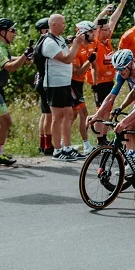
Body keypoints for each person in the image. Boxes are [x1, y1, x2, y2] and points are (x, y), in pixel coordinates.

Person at [0, 18, 32, 165]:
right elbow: (10, 67)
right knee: (6, 121)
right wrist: (24, 56)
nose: (15, 33)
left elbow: (9, 59)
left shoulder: (2, 46)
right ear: (3, 32)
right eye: (12, 30)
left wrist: (24, 59)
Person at [43, 14, 83, 161]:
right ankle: (57, 150)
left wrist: (73, 42)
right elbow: (67, 59)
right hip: (55, 84)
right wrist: (77, 44)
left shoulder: (59, 39)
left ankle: (67, 147)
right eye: (62, 23)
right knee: (57, 116)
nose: (65, 26)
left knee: (69, 114)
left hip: (65, 83)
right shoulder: (49, 42)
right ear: (54, 25)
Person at [90, 0, 127, 107]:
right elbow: (92, 28)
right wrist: (103, 13)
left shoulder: (107, 41)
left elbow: (113, 20)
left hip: (109, 81)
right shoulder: (95, 42)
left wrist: (121, 4)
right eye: (106, 30)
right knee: (101, 110)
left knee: (108, 108)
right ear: (99, 32)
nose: (110, 30)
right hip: (100, 82)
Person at [70, 21, 97, 154]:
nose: (93, 34)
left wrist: (95, 83)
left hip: (79, 84)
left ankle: (64, 142)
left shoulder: (89, 46)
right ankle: (86, 145)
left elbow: (93, 66)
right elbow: (78, 73)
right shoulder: (75, 49)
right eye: (90, 32)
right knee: (83, 114)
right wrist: (89, 61)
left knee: (73, 115)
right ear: (83, 34)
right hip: (72, 84)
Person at [32, 17, 53, 155]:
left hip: (39, 79)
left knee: (44, 113)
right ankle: (47, 145)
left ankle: (42, 143)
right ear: (45, 30)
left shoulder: (39, 42)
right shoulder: (46, 43)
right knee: (49, 114)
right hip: (45, 80)